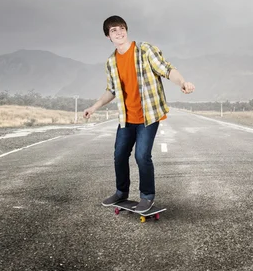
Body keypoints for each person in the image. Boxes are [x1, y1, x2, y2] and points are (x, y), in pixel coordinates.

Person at [83, 15, 195, 213]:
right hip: (126, 118)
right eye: (113, 30)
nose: (118, 32)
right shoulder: (111, 62)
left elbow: (167, 70)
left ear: (126, 30)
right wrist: (94, 107)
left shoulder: (144, 50)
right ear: (108, 36)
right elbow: (112, 90)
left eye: (121, 28)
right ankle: (121, 192)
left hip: (148, 115)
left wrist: (183, 82)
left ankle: (147, 196)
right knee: (119, 155)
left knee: (142, 155)